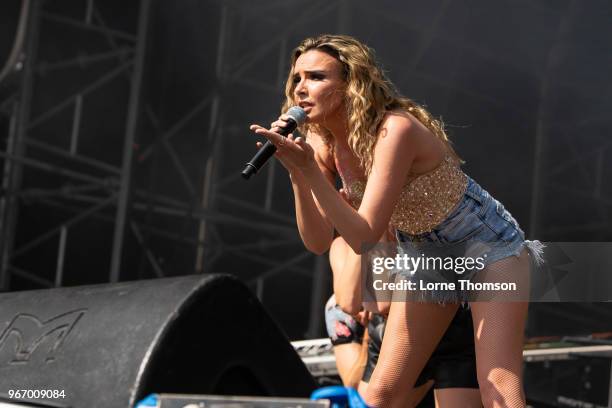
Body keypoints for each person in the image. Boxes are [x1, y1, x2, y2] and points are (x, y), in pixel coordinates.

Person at [249, 34, 543, 407]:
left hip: (489, 249)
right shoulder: (321, 144)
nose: (301, 89)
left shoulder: (393, 130)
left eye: (316, 77)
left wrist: (308, 169)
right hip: (426, 257)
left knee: (498, 386)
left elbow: (366, 234)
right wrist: (298, 174)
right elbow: (319, 241)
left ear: (350, 84)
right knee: (382, 394)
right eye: (296, 79)